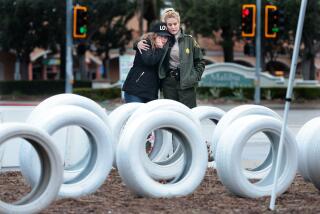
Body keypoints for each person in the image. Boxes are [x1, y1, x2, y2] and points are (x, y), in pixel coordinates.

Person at [137, 8, 205, 108]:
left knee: (189, 114)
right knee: (171, 113)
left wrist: (194, 77)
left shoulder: (189, 40)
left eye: (175, 24)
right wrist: (137, 44)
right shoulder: (163, 39)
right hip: (168, 83)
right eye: (170, 25)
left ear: (179, 23)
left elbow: (200, 61)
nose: (173, 27)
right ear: (166, 25)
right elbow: (147, 41)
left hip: (186, 83)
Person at [122, 22, 172, 103]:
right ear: (154, 35)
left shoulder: (164, 49)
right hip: (135, 91)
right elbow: (149, 60)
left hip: (151, 93)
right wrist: (160, 49)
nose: (163, 39)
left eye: (166, 37)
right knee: (137, 115)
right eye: (160, 36)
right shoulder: (145, 43)